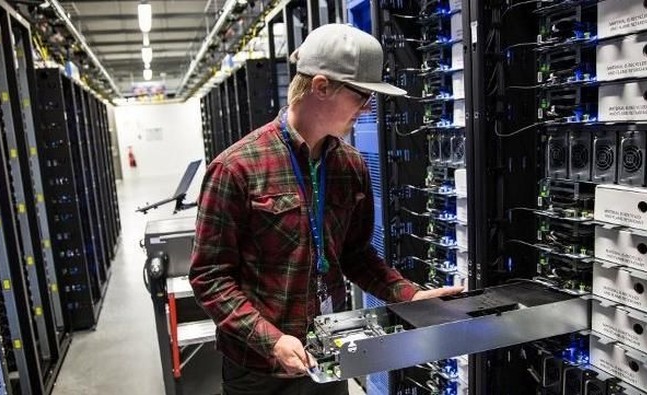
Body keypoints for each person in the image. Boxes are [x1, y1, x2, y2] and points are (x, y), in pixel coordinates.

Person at [189, 23, 464, 395]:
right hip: (259, 370)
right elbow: (210, 276)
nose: (367, 108)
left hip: (329, 355)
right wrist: (271, 340)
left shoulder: (350, 166)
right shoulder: (237, 168)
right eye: (361, 95)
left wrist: (410, 296)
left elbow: (355, 255)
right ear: (320, 87)